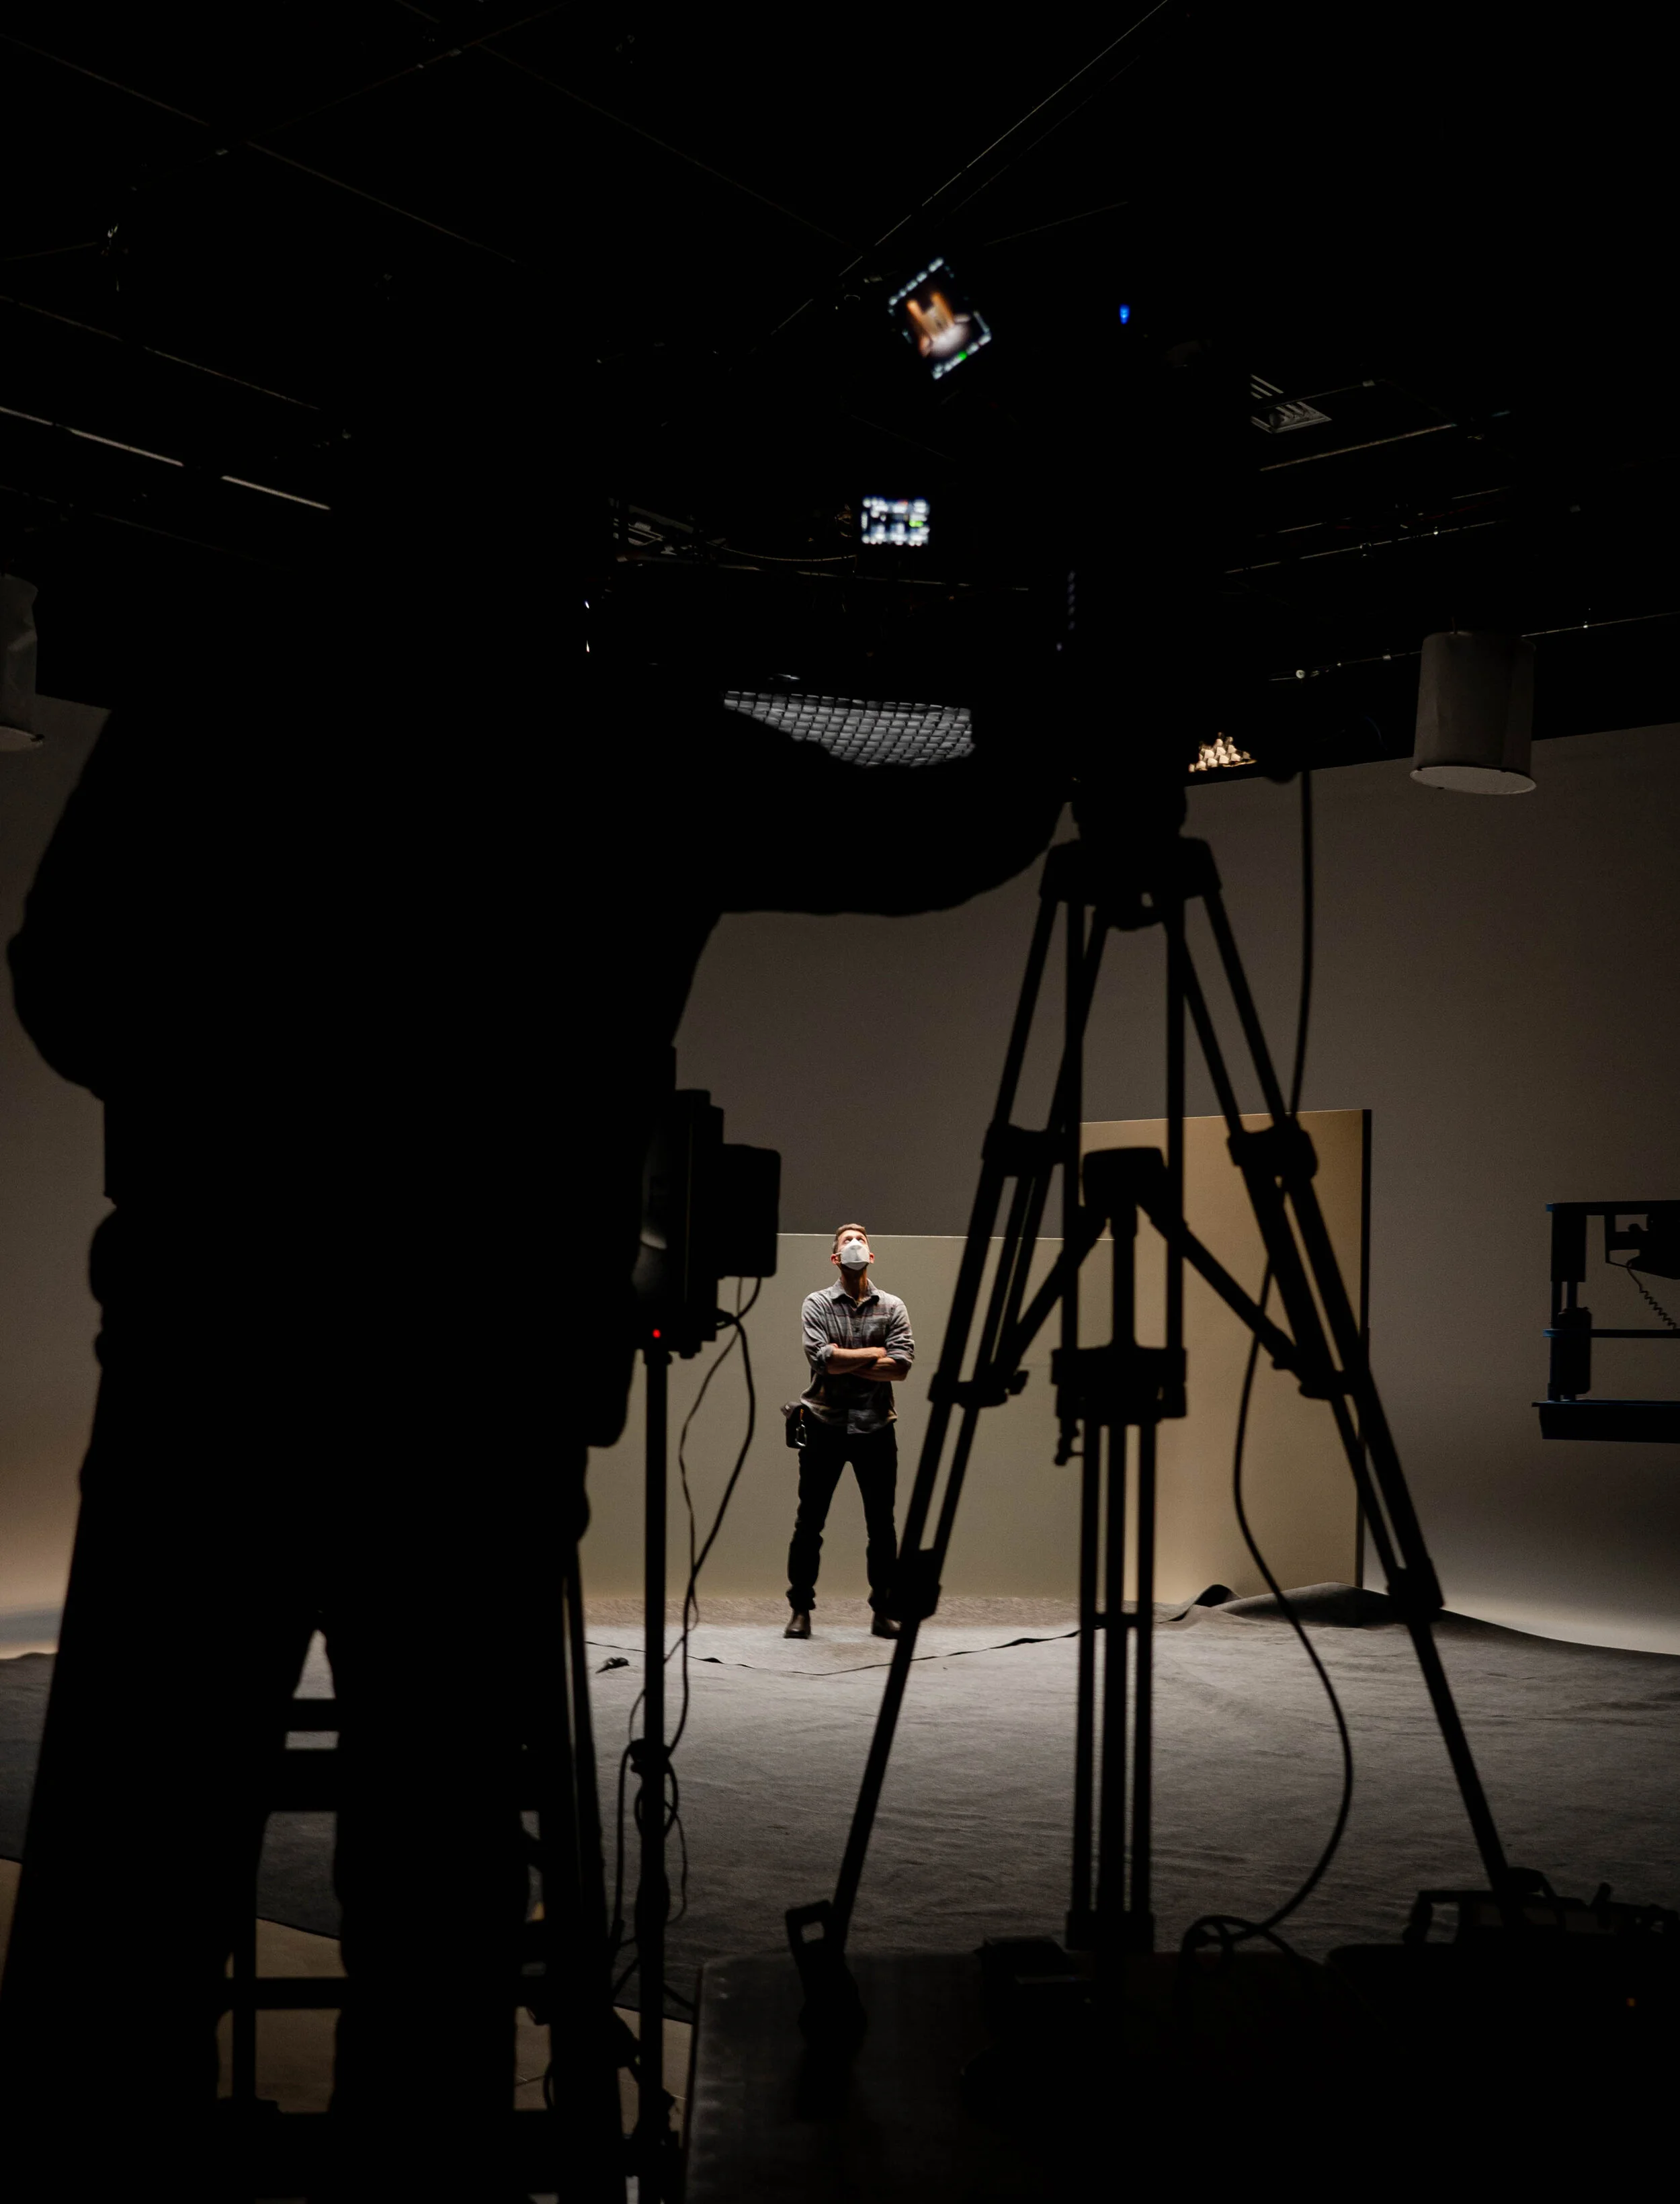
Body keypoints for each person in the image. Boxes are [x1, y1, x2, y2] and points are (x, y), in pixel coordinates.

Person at [786, 1225, 913, 1640]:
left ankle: (884, 1611)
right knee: (810, 1522)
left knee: (882, 1524)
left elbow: (902, 1366)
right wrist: (875, 1353)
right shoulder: (817, 1304)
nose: (855, 1244)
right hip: (823, 1424)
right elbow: (821, 1359)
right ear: (835, 1257)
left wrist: (845, 1360)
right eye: (846, 1241)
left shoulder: (893, 1306)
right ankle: (800, 1610)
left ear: (871, 1256)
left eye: (861, 1240)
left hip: (875, 1427)